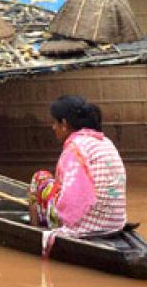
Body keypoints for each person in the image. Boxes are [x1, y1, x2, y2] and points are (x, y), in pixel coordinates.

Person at [27, 96, 128, 246]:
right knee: (53, 186)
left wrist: (52, 209)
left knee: (39, 178)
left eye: (55, 122)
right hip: (115, 222)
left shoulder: (75, 147)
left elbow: (73, 198)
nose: (53, 127)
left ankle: (34, 234)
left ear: (64, 124)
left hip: (85, 226)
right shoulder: (105, 141)